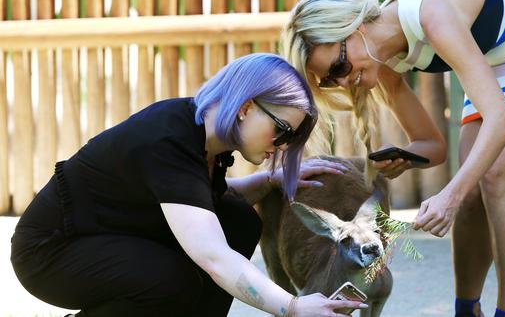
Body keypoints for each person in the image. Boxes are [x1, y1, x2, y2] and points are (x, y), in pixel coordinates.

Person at [284, 0, 505, 317]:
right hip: (497, 58)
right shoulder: (382, 63)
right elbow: (433, 147)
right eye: (329, 79)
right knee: (472, 187)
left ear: (353, 28)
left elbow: (499, 121)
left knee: (495, 176)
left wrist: (449, 194)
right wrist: (408, 155)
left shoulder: (433, 15)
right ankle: (466, 310)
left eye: (339, 66)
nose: (342, 81)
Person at [10, 53, 367, 317]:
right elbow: (212, 255)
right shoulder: (169, 139)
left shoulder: (206, 140)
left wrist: (270, 180)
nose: (283, 145)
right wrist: (291, 307)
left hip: (113, 237)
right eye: (283, 130)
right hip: (52, 253)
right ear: (245, 108)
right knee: (169, 279)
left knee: (239, 220)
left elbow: (199, 205)